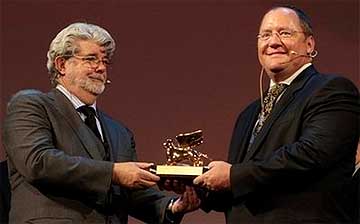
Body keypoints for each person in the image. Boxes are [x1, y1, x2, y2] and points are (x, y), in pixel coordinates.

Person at [2, 22, 200, 224]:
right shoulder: (31, 105)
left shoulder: (119, 132)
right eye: (91, 59)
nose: (101, 67)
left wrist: (173, 206)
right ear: (61, 65)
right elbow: (38, 162)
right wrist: (113, 173)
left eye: (105, 61)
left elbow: (129, 194)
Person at [193, 5, 359, 223]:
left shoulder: (332, 89)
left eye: (285, 33)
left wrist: (233, 176)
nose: (273, 42)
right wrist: (201, 191)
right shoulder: (249, 113)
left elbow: (311, 155)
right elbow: (246, 183)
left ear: (309, 44)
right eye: (266, 35)